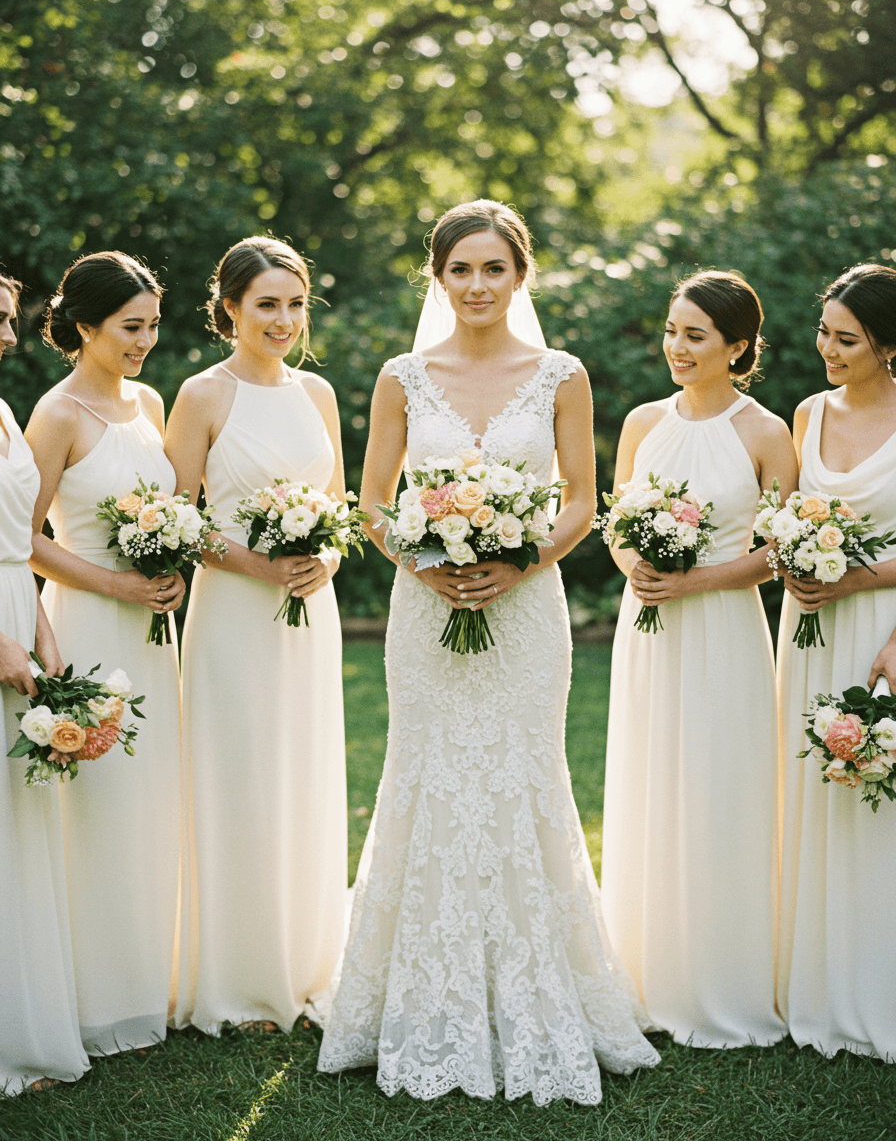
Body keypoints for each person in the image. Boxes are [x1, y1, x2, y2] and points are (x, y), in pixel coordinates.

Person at [318, 200, 659, 1106]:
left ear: (520, 276)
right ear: (438, 278)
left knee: (520, 776)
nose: (476, 285)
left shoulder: (561, 375)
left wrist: (521, 559)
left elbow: (583, 498)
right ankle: (413, 1000)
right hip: (423, 610)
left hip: (526, 609)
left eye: (493, 269)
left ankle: (539, 996)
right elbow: (373, 501)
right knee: (427, 776)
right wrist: (426, 567)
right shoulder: (402, 376)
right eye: (459, 270)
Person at [601, 270, 797, 1047]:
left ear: (738, 346)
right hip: (647, 624)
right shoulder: (643, 421)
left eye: (695, 336)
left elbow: (782, 551)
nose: (676, 348)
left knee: (720, 786)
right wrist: (634, 567)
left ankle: (720, 976)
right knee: (652, 778)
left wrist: (696, 579)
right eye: (672, 331)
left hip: (722, 624)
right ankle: (644, 969)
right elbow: (618, 518)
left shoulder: (765, 432)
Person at [165, 236, 347, 1034]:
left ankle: (306, 961)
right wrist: (258, 565)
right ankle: (238, 979)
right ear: (231, 307)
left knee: (301, 773)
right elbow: (170, 520)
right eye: (267, 304)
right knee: (237, 777)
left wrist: (326, 559)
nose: (283, 319)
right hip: (234, 611)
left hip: (310, 615)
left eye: (295, 304)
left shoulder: (320, 393)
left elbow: (340, 505)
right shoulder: (203, 394)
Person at [26, 253, 182, 1056]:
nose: (146, 341)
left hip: (152, 638)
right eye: (131, 327)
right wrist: (118, 587)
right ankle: (90, 996)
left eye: (153, 324)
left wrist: (168, 566)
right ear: (85, 327)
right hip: (87, 622)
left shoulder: (149, 402)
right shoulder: (57, 415)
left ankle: (145, 979)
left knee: (148, 799)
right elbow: (22, 538)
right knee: (96, 804)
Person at [777, 263, 896, 1060]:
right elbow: (784, 514)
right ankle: (807, 979)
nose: (828, 348)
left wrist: (857, 579)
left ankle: (872, 980)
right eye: (824, 331)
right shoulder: (808, 411)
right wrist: (790, 557)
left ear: (890, 345)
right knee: (808, 791)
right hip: (808, 627)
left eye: (846, 339)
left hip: (881, 625)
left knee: (875, 796)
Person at [0, 273, 90, 1094]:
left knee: (17, 819)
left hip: (17, 609)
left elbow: (13, 538)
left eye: (3, 320)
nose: (2, 335)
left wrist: (39, 625)